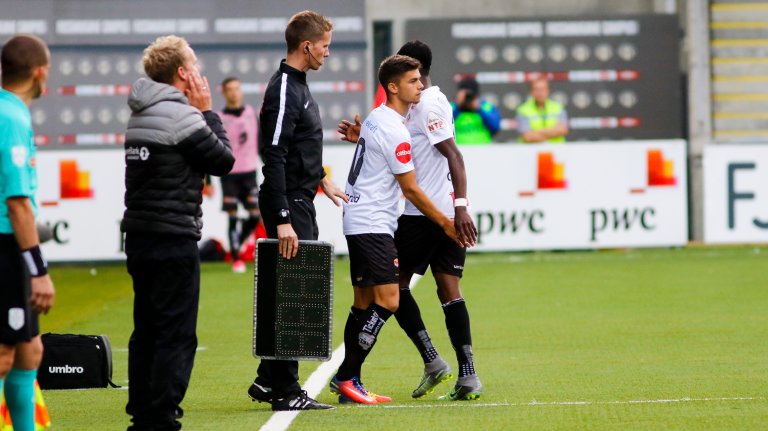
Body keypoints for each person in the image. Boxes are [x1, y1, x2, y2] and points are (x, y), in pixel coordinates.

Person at [339, 40, 483, 401]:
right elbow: (398, 144)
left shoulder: (428, 102)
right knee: (444, 291)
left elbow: (452, 155)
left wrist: (459, 209)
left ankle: (432, 362)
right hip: (435, 212)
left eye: (415, 76)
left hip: (425, 215)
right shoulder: (398, 115)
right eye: (410, 79)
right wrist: (365, 141)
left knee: (392, 292)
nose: (416, 84)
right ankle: (461, 373)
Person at [121, 35, 234, 431]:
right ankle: (162, 418)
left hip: (138, 236)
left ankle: (143, 415)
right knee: (176, 333)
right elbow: (223, 160)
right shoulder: (183, 116)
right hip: (172, 237)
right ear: (183, 73)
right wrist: (208, 111)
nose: (201, 73)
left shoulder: (140, 113)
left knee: (147, 329)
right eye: (196, 64)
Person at [246, 10, 346, 412]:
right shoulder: (285, 87)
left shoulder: (297, 86)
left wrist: (321, 177)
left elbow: (296, 149)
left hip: (299, 196)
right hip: (289, 202)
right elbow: (273, 154)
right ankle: (286, 391)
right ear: (306, 46)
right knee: (294, 295)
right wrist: (284, 219)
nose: (327, 53)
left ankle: (269, 380)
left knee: (290, 289)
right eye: (324, 46)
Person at [0, 34, 56, 431]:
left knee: (28, 349)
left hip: (10, 246)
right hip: (6, 247)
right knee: (4, 352)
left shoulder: (9, 110)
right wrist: (37, 269)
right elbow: (17, 203)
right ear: (39, 73)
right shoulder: (12, 118)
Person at [218, 76, 261, 273]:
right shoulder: (219, 118)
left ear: (241, 91)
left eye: (237, 88)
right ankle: (236, 257)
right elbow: (213, 148)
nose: (234, 92)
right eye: (230, 89)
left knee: (254, 215)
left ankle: (237, 242)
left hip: (249, 172)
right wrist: (208, 179)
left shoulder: (252, 114)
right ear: (224, 93)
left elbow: (260, 142)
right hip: (229, 173)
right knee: (232, 215)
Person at [516, 75, 569, 143]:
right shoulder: (523, 110)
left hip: (556, 152)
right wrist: (553, 131)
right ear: (531, 92)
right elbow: (528, 137)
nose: (540, 93)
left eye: (543, 89)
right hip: (531, 152)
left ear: (548, 90)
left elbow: (563, 130)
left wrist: (537, 132)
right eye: (536, 89)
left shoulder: (558, 107)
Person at [451, 76, 501, 145]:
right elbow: (444, 127)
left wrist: (478, 109)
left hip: (483, 150)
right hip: (458, 150)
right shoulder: (451, 108)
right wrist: (458, 107)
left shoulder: (486, 107)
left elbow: (495, 127)